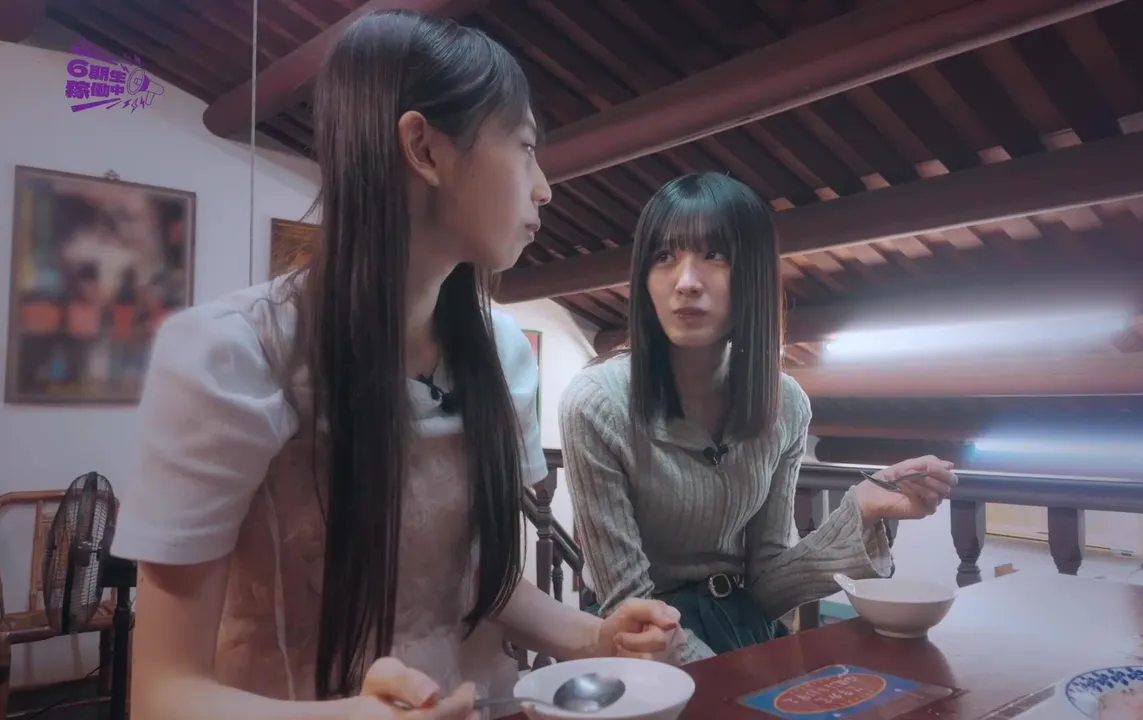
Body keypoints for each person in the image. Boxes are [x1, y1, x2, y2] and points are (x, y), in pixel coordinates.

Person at [111, 11, 681, 720]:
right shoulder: (231, 356)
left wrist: (596, 636)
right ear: (424, 148)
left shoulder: (502, 353)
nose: (544, 188)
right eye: (526, 147)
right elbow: (161, 694)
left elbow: (478, 586)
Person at [558, 173, 959, 665]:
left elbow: (767, 584)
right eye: (664, 256)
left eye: (715, 255)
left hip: (741, 635)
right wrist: (732, 684)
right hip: (643, 655)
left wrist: (861, 510)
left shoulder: (786, 404)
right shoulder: (596, 404)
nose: (686, 281)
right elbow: (628, 605)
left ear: (754, 274)